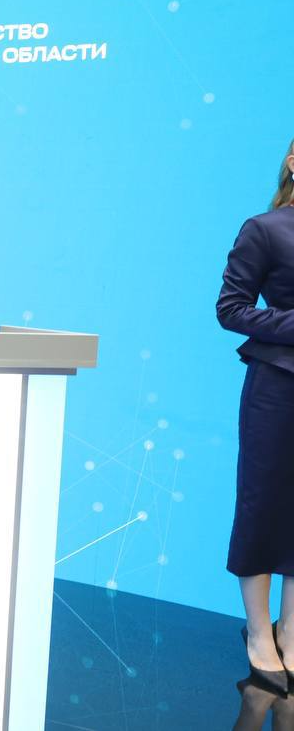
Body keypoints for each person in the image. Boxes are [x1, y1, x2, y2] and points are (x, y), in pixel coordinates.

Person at [217, 139, 294, 696]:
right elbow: (230, 308)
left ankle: (291, 630)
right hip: (277, 386)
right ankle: (260, 632)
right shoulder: (264, 229)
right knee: (262, 502)